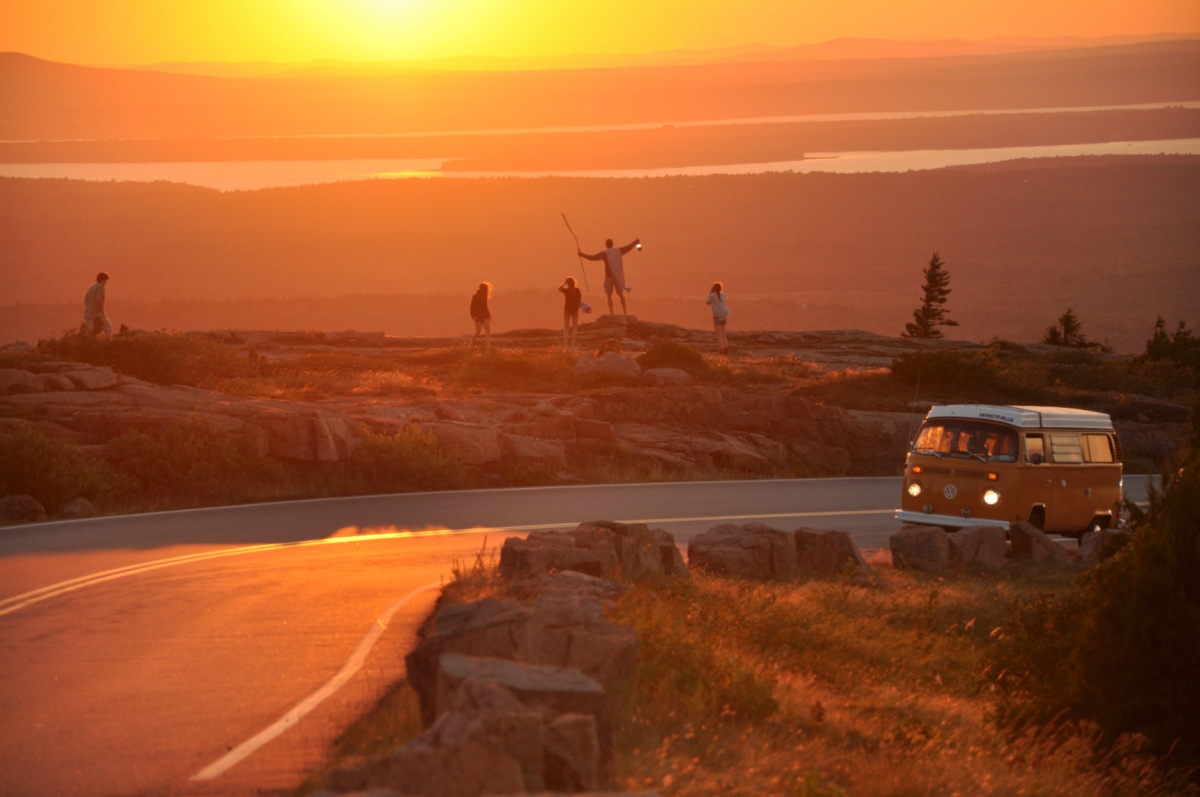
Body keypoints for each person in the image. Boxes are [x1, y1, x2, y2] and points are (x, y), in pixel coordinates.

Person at [578, 237, 640, 316]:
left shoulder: (605, 254)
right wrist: (635, 242)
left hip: (609, 277)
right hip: (617, 276)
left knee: (609, 296)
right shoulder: (618, 251)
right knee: (621, 295)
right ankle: (625, 312)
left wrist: (581, 254)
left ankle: (612, 313)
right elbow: (628, 247)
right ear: (612, 244)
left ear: (606, 245)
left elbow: (592, 258)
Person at [83, 271, 112, 337]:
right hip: (95, 313)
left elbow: (85, 299)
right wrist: (102, 312)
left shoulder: (92, 287)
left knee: (90, 331)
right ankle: (108, 343)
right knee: (108, 327)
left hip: (87, 312)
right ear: (103, 280)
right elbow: (99, 300)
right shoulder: (101, 287)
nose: (106, 283)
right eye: (106, 280)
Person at [558, 276, 583, 349]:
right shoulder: (577, 290)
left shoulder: (566, 291)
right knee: (574, 328)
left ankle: (566, 344)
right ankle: (572, 344)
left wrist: (564, 283)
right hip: (575, 310)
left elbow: (559, 289)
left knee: (566, 327)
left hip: (567, 310)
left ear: (568, 284)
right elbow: (579, 301)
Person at [706, 281, 730, 355]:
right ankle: (726, 347)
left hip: (717, 316)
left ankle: (721, 349)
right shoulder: (723, 295)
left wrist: (710, 293)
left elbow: (707, 302)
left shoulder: (713, 295)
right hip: (724, 315)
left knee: (718, 334)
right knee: (723, 333)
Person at [469, 282, 492, 349]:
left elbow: (485, 306)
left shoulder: (485, 296)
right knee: (478, 332)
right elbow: (472, 307)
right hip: (478, 317)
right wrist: (473, 316)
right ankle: (470, 345)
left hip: (485, 315)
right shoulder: (475, 296)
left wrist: (488, 314)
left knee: (487, 330)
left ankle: (488, 346)